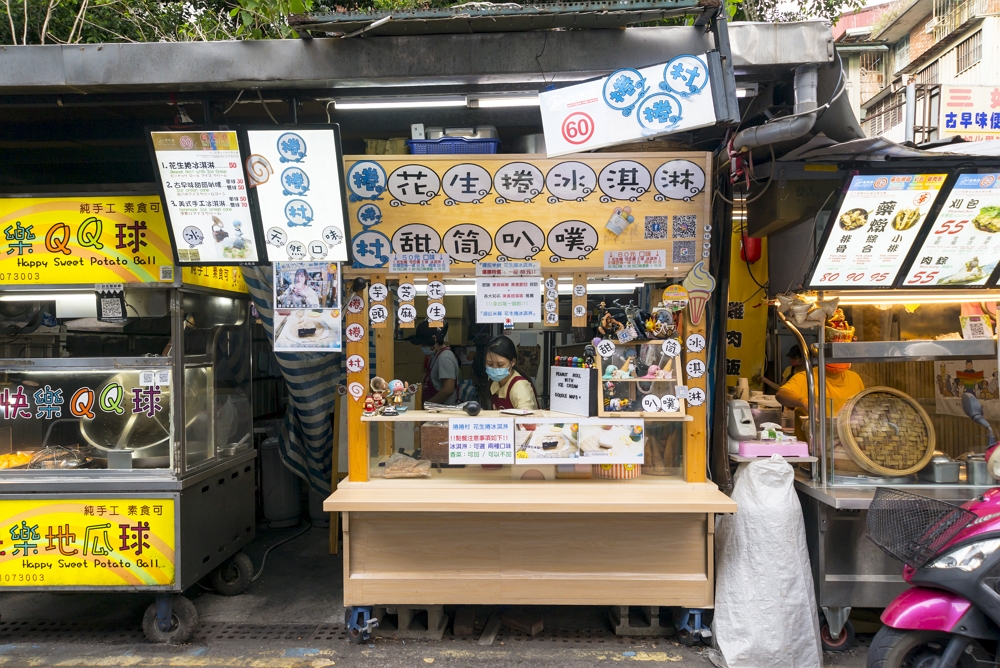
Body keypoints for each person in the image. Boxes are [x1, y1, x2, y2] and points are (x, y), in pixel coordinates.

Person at [776, 362, 865, 442]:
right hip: (811, 450)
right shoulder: (807, 377)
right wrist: (803, 401)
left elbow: (862, 409)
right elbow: (781, 394)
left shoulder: (855, 379)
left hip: (847, 449)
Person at [409, 320, 460, 405]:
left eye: (424, 343)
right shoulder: (434, 356)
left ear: (434, 339)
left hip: (442, 411)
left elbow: (448, 389)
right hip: (434, 410)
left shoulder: (444, 357)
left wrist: (428, 404)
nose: (422, 347)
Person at [485, 335, 538, 411]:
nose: (494, 369)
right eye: (490, 364)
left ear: (512, 362)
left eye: (500, 365)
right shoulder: (493, 379)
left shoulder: (520, 388)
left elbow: (525, 419)